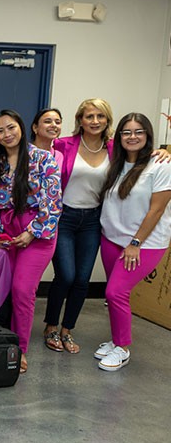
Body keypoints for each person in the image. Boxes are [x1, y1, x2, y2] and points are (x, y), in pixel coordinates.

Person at [42, 99, 170, 354]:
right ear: (80, 119)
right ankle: (50, 326)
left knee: (82, 279)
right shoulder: (64, 144)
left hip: (93, 221)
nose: (95, 121)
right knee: (66, 275)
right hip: (65, 218)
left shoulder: (115, 149)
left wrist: (166, 151)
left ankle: (67, 330)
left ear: (108, 121)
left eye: (101, 116)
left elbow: (144, 157)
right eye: (89, 116)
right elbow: (34, 150)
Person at [0, 109, 62, 374]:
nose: (7, 134)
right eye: (0, 131)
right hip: (6, 232)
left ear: (22, 127)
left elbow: (53, 203)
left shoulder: (43, 159)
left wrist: (33, 231)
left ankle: (20, 349)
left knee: (22, 290)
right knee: (3, 289)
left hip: (36, 233)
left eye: (11, 127)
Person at [96, 113, 171, 371]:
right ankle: (116, 340)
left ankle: (123, 348)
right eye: (127, 132)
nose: (132, 137)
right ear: (119, 137)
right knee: (117, 295)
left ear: (148, 135)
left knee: (115, 292)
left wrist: (135, 243)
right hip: (112, 239)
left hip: (144, 244)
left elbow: (156, 211)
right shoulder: (116, 162)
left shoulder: (160, 166)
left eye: (139, 131)